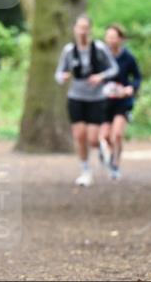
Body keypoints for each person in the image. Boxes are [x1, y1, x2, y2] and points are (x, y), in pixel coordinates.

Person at [54, 15, 118, 187]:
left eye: (85, 28)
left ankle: (103, 150)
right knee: (79, 135)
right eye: (79, 27)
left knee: (92, 139)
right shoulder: (69, 50)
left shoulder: (99, 48)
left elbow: (114, 68)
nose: (82, 31)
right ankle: (85, 170)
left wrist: (100, 76)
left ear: (90, 30)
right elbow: (58, 73)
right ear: (74, 29)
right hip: (76, 97)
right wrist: (63, 77)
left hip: (96, 98)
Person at [99, 24, 142, 180]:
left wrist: (131, 88)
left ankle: (116, 164)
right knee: (105, 136)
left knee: (116, 135)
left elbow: (137, 77)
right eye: (108, 37)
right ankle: (110, 155)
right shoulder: (101, 56)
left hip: (122, 102)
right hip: (104, 102)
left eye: (113, 37)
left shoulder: (128, 57)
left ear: (121, 39)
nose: (110, 40)